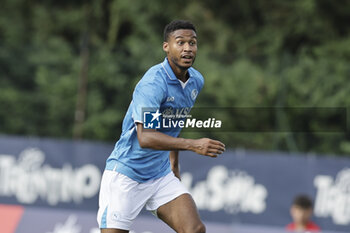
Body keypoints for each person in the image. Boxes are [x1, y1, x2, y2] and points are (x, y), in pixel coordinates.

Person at [97, 20, 226, 233]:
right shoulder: (153, 84)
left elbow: (173, 122)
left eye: (192, 43)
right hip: (126, 175)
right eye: (180, 42)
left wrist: (173, 164)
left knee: (194, 230)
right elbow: (146, 137)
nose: (187, 48)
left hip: (160, 175)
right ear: (166, 47)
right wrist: (194, 145)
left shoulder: (195, 81)